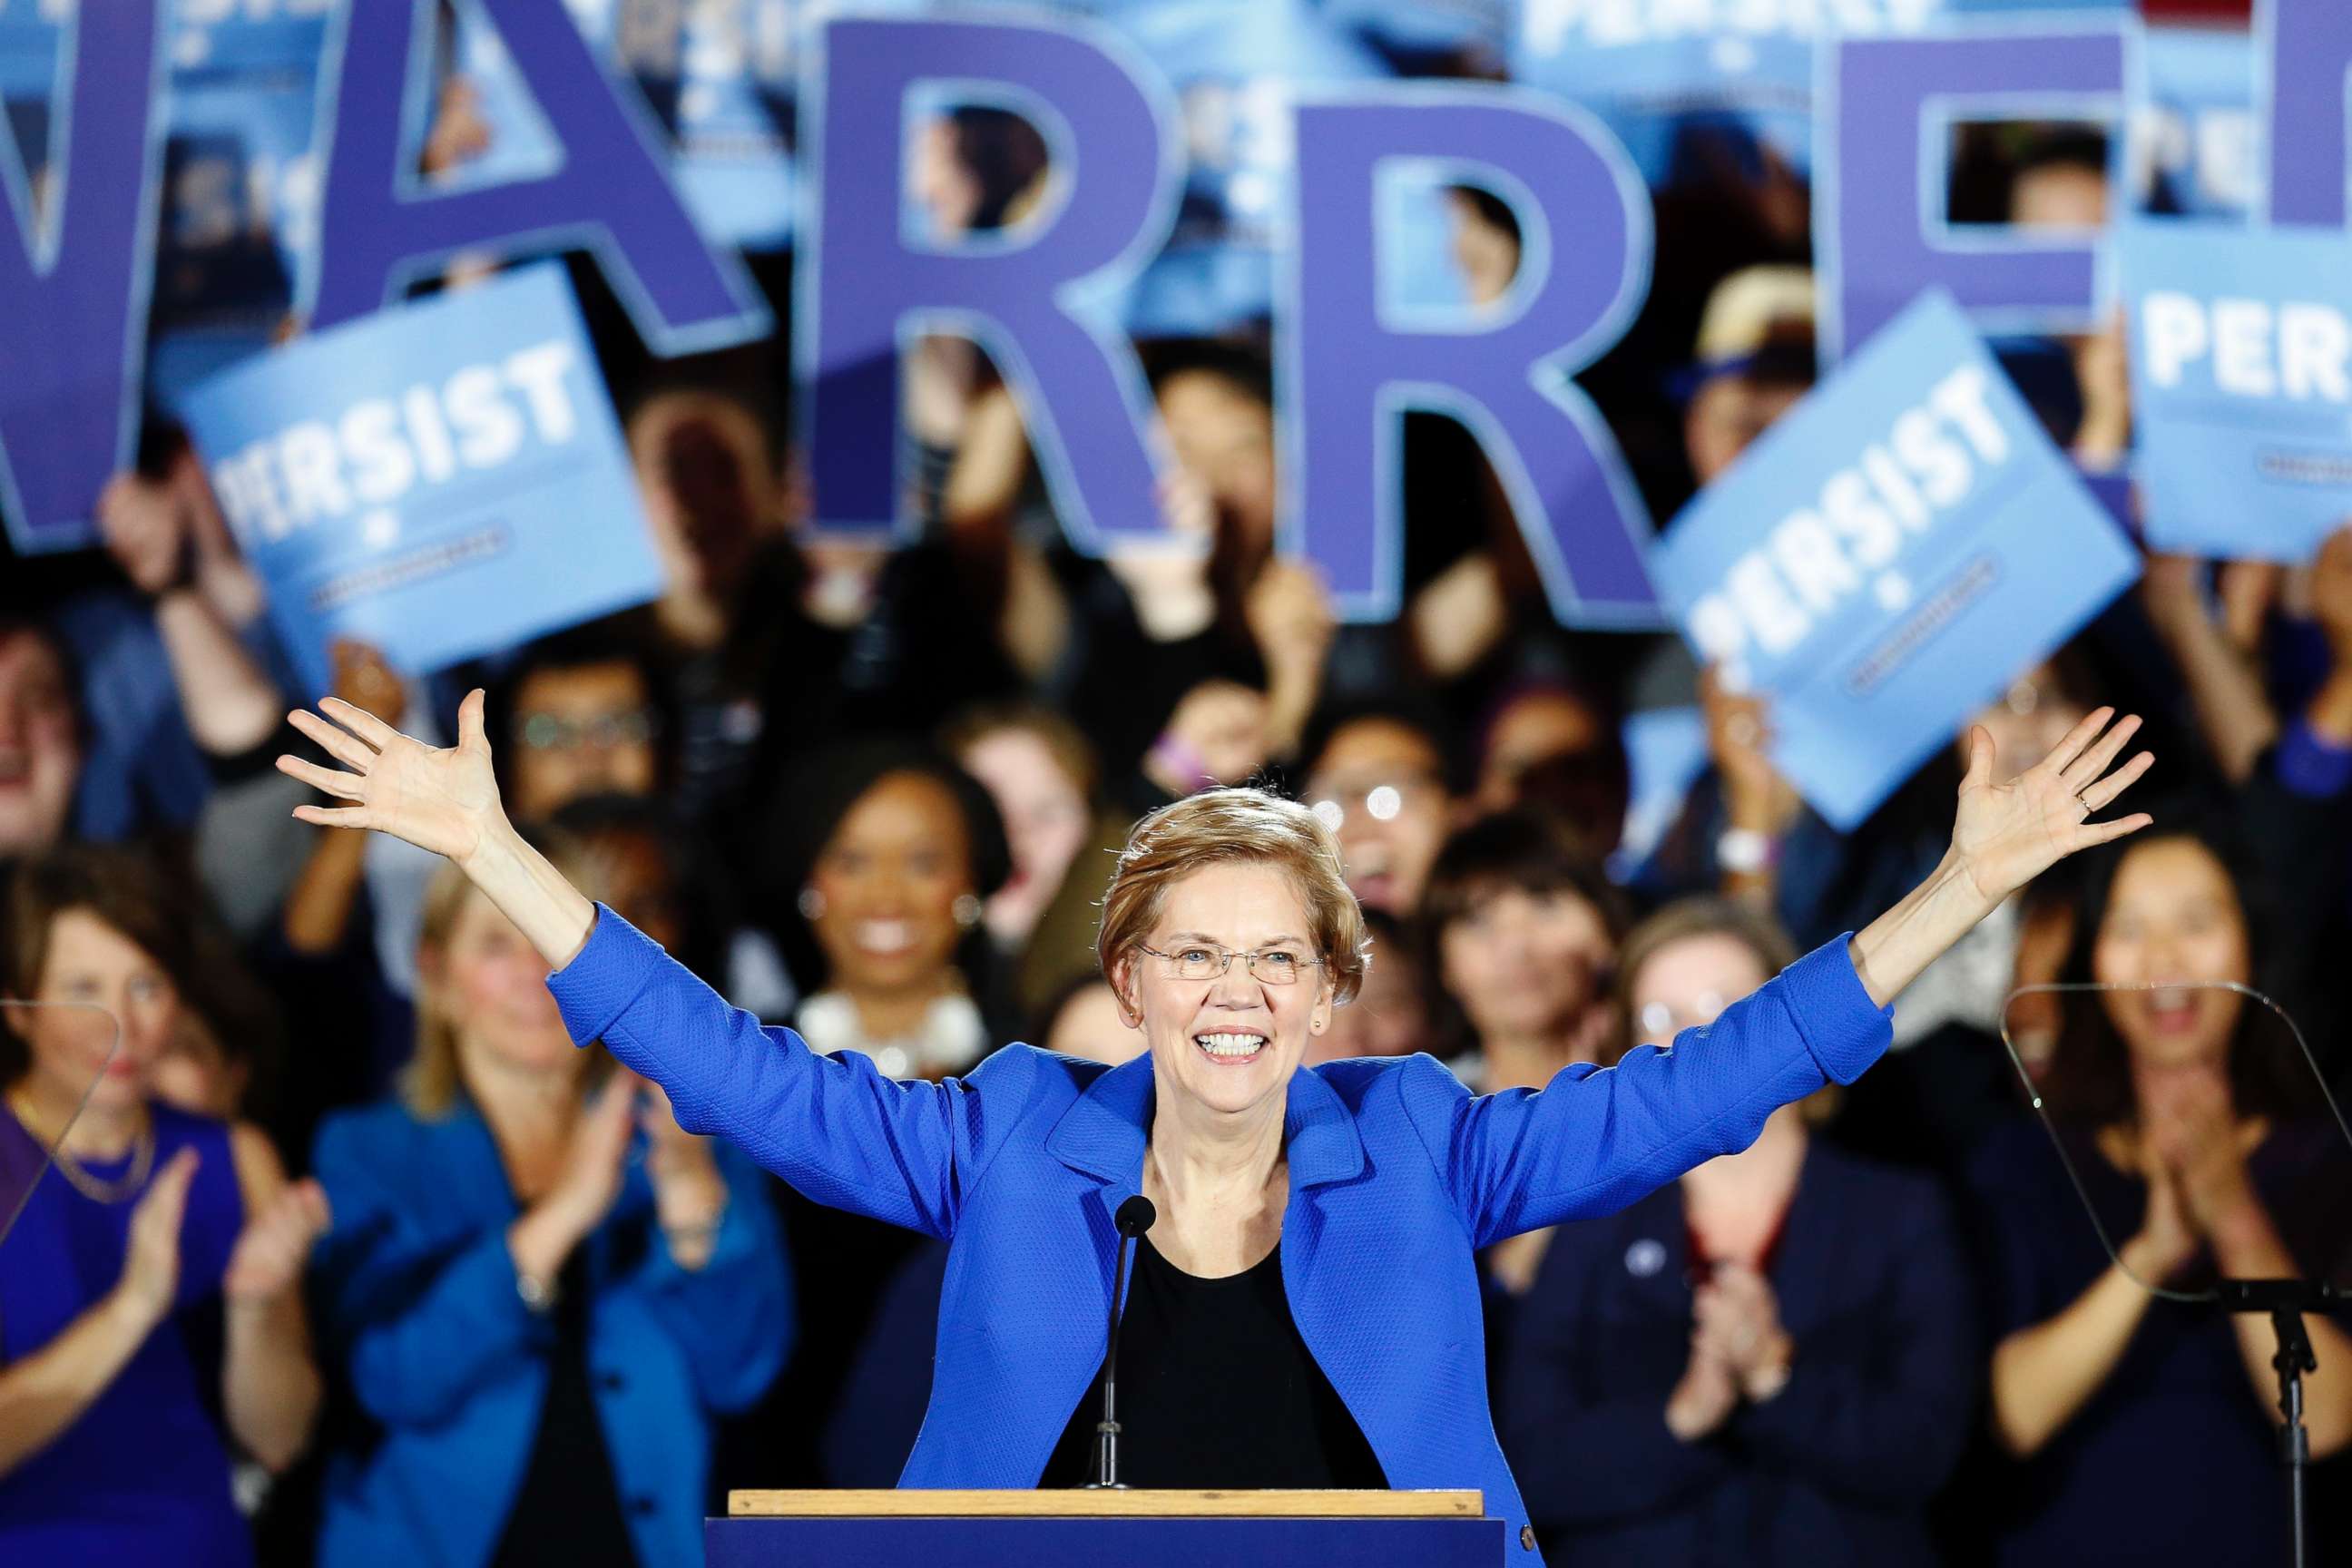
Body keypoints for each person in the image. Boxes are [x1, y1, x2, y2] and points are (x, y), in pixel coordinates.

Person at [275, 690, 2155, 1566]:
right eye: (1194, 953)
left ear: (1334, 990)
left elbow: (1712, 1080)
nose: (1237, 991)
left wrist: (1959, 887)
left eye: (1278, 956)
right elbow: (735, 1068)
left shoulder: (1422, 1136)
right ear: (1133, 978)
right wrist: (496, 856)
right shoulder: (1008, 1135)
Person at [309, 845, 790, 1568]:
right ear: (435, 973)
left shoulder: (693, 1131)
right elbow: (395, 1379)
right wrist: (560, 1217)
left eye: (555, 939)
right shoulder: (369, 1151)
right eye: (498, 943)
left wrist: (692, 1197)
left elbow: (743, 1372)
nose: (536, 976)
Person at [1497, 900, 1977, 1565]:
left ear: (1792, 1027)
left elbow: (1927, 1451)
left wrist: (1778, 1380)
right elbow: (1530, 1466)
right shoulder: (1590, 1221)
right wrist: (1681, 1418)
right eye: (1660, 1019)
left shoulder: (1899, 1210)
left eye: (1726, 1009)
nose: (1698, 1043)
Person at [1971, 826, 2352, 1566]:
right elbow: (2013, 1415)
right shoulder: (2028, 1158)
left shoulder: (2327, 1158)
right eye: (2130, 928)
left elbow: (2329, 1417)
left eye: (2198, 923)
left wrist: (2233, 1212)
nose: (2164, 962)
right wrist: (2152, 1252)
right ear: (2090, 957)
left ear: (2252, 944)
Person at [0, 846, 328, 1566]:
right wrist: (132, 1308)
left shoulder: (234, 1156)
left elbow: (281, 1436)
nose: (120, 1023)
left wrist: (252, 1308)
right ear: (20, 1010)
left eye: (146, 985)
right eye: (82, 987)